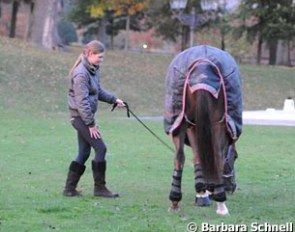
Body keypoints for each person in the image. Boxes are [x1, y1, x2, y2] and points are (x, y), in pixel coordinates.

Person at [63, 40, 125, 198]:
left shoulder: (92, 69)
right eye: (99, 57)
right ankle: (100, 188)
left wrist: (114, 100)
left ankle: (69, 189)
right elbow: (82, 102)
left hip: (84, 117)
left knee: (83, 152)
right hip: (80, 118)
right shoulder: (81, 73)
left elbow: (97, 91)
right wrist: (91, 124)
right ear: (90, 54)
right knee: (101, 148)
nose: (101, 60)